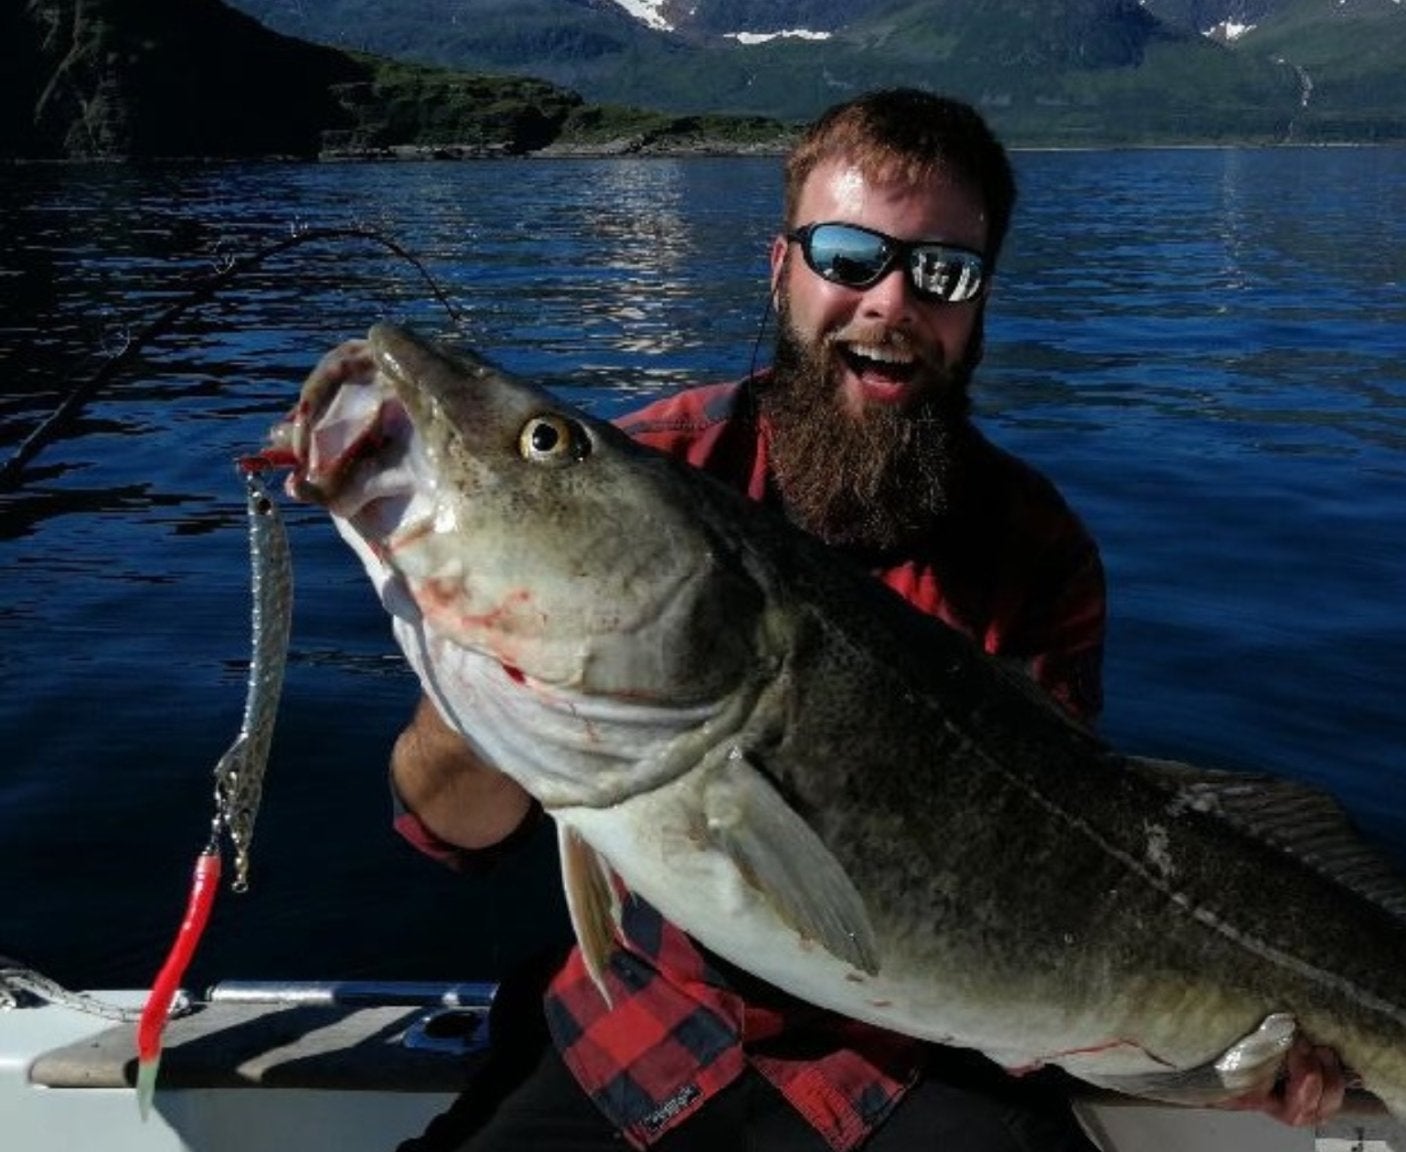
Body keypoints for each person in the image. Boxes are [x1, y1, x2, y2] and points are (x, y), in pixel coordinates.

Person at [375, 88, 1346, 1151]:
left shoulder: (1032, 545)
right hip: (645, 1020)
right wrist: (482, 669)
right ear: (780, 268)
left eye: (941, 273)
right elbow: (449, 835)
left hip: (912, 1050)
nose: (889, 302)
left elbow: (1076, 873)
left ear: (977, 306)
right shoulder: (659, 472)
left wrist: (1219, 1054)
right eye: (846, 256)